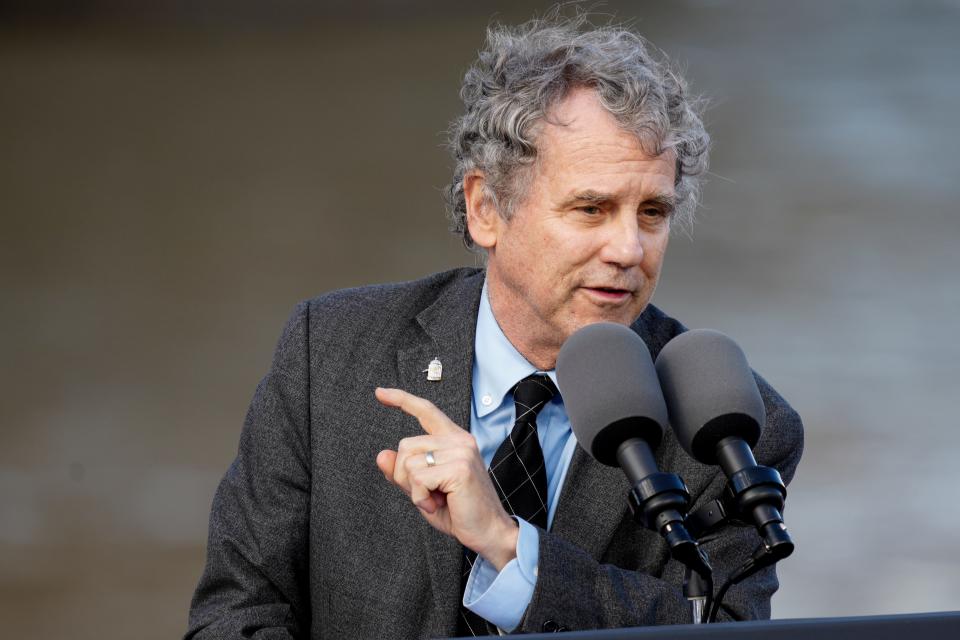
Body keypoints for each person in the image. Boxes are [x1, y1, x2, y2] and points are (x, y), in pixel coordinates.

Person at [186, 13, 803, 639]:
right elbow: (235, 615)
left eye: (652, 212)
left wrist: (513, 552)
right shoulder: (332, 351)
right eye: (591, 208)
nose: (629, 249)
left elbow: (724, 626)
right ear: (486, 209)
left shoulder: (731, 425)